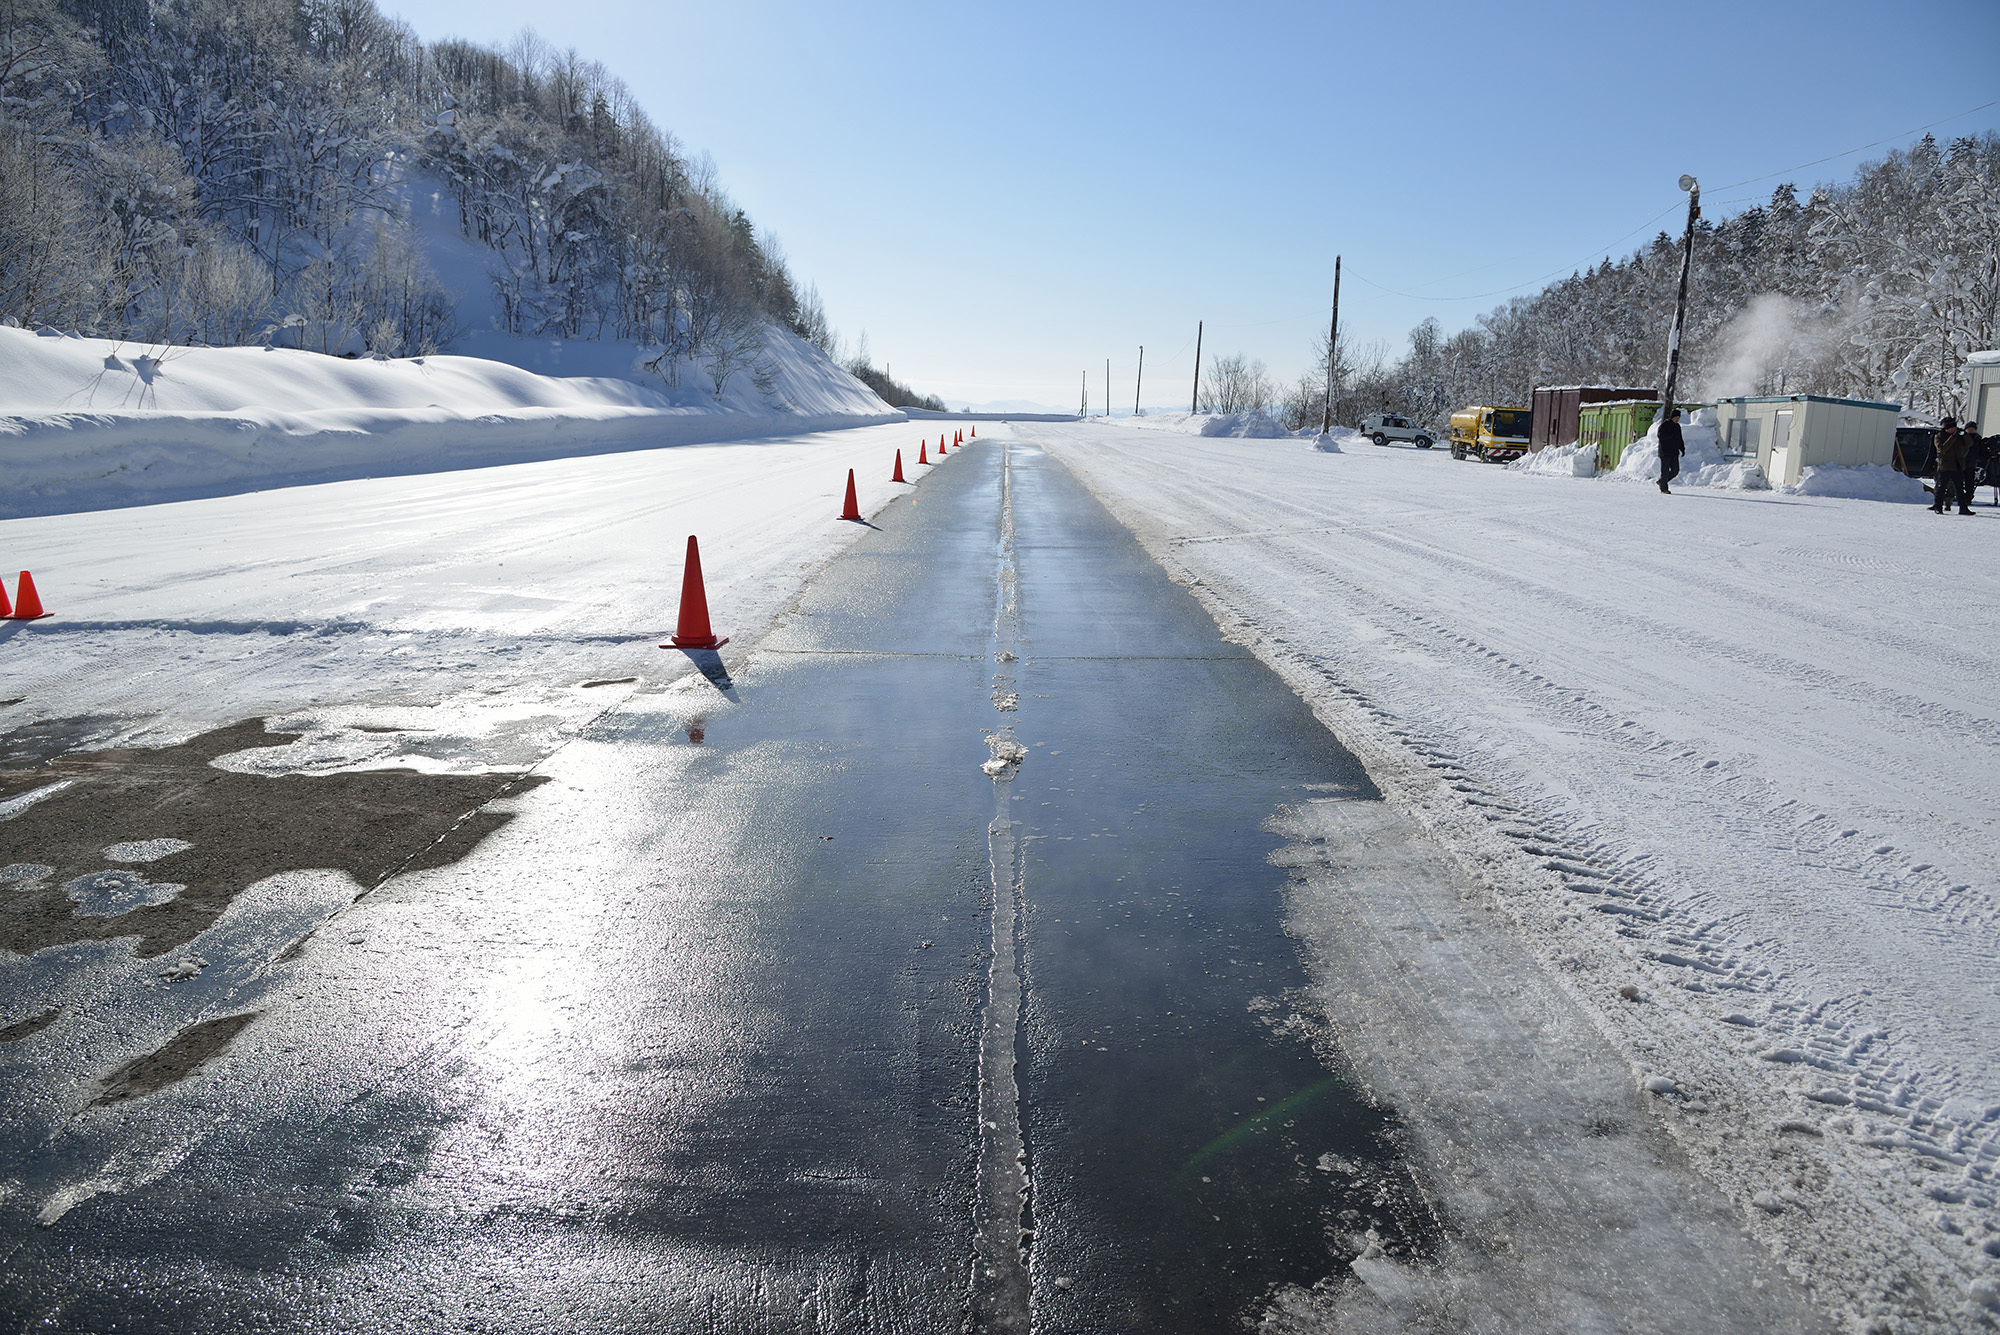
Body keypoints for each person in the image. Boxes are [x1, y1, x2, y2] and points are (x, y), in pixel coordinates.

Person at [1933, 416, 1971, 515]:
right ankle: (1938, 507)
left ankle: (1963, 508)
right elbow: (1942, 449)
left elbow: (1969, 443)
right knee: (1941, 488)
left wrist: (1964, 435)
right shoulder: (1939, 436)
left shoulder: (1959, 435)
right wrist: (1953, 437)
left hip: (1957, 465)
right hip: (1945, 465)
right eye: (1952, 429)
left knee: (1959, 489)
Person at [1657, 408, 1684, 494]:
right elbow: (1660, 436)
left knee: (1675, 471)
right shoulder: (1664, 425)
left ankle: (1662, 481)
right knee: (1664, 472)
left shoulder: (1677, 426)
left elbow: (1680, 438)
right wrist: (1671, 435)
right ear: (1672, 417)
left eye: (1679, 418)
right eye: (1676, 417)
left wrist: (1682, 448)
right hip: (1665, 452)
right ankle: (1664, 489)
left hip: (1674, 452)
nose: (1677, 419)